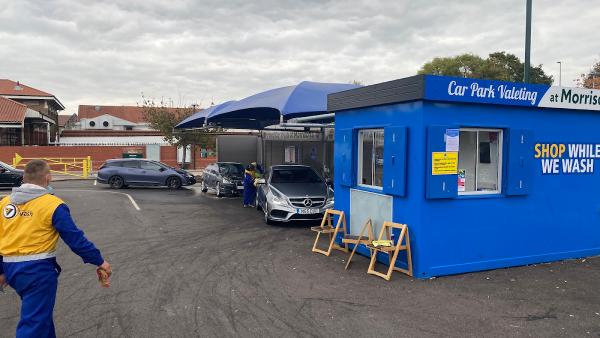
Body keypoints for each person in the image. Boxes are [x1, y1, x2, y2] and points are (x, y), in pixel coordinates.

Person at [0, 160, 111, 338]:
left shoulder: (4, 203)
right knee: (34, 323)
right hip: (37, 272)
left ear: (23, 178)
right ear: (48, 178)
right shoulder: (53, 205)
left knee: (40, 316)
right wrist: (100, 261)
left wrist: (2, 269)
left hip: (12, 270)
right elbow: (75, 239)